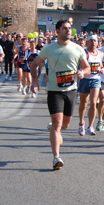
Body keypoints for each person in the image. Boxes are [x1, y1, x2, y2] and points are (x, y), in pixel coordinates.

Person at [30, 20, 90, 170]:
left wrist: (82, 72)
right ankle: (56, 157)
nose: (68, 31)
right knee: (57, 124)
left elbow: (87, 67)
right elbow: (34, 64)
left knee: (66, 124)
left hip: (70, 90)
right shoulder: (48, 49)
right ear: (57, 31)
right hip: (54, 91)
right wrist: (34, 81)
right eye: (65, 29)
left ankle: (55, 132)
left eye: (70, 28)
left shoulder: (77, 49)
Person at [77, 35, 104, 136]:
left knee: (93, 103)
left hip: (96, 80)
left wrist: (102, 69)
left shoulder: (100, 54)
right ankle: (81, 123)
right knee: (83, 104)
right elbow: (79, 64)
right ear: (87, 42)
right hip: (85, 79)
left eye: (95, 41)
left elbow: (101, 65)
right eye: (91, 41)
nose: (93, 43)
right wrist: (81, 72)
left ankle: (90, 126)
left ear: (98, 43)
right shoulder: (84, 53)